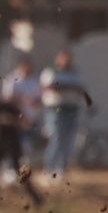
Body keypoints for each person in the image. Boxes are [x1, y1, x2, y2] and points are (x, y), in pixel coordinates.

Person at [0, 77, 42, 207]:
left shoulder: (8, 107)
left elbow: (25, 122)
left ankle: (36, 198)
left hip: (12, 142)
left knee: (19, 171)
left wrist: (11, 120)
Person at [39, 49, 92, 180]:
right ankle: (49, 169)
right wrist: (69, 88)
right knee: (56, 139)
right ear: (58, 58)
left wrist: (67, 88)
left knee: (68, 141)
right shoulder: (51, 72)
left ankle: (60, 169)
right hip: (56, 109)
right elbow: (51, 87)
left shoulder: (75, 73)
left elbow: (81, 89)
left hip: (72, 109)